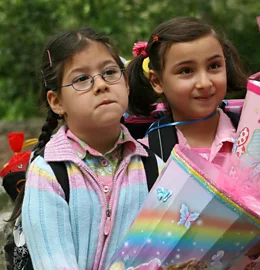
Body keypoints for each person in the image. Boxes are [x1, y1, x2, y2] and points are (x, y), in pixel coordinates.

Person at [127, 17, 260, 269]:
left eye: (214, 66)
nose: (205, 82)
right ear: (156, 81)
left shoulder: (259, 132)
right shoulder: (145, 154)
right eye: (186, 71)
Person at [19, 28, 165, 269]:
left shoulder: (153, 168)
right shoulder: (48, 174)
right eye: (81, 79)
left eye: (109, 72)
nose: (100, 84)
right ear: (56, 102)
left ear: (126, 84)